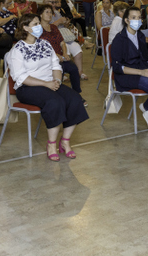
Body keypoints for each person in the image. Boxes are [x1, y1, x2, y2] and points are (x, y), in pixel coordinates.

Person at [8, 14, 88, 160]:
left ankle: (65, 141)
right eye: (35, 24)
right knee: (55, 102)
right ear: (25, 28)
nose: (39, 26)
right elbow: (20, 77)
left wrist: (57, 80)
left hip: (50, 83)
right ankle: (51, 144)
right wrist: (46, 84)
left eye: (39, 23)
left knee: (75, 99)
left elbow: (56, 65)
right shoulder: (17, 50)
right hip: (27, 88)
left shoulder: (45, 44)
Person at [38, 4, 84, 95]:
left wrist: (65, 53)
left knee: (74, 68)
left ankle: (76, 94)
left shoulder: (54, 27)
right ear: (40, 15)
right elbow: (41, 48)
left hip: (61, 57)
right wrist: (55, 55)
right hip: (48, 58)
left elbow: (62, 42)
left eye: (50, 12)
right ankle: (58, 93)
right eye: (47, 12)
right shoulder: (38, 30)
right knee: (60, 69)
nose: (49, 14)